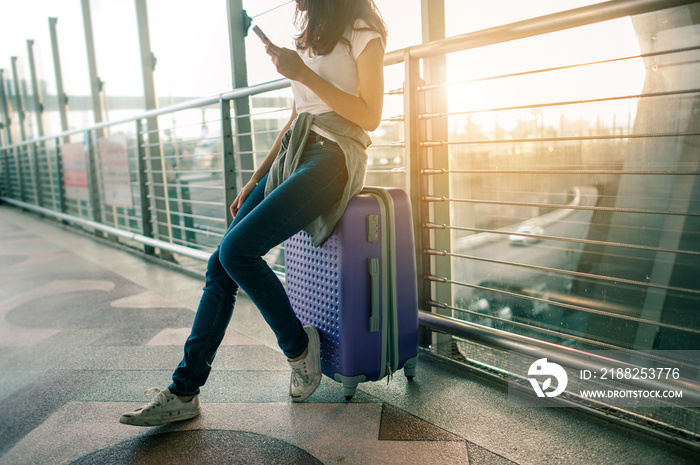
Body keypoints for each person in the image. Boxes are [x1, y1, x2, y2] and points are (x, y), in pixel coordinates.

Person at [120, 0, 387, 426]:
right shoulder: (314, 33)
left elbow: (370, 115)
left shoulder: (362, 31)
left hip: (333, 157)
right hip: (294, 153)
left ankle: (299, 350)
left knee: (238, 250)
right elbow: (298, 115)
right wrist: (254, 178)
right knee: (220, 262)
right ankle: (185, 391)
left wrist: (303, 74)